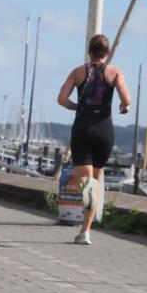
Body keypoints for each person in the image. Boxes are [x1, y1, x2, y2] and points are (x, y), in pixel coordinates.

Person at [57, 34, 131, 245]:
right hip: (104, 129)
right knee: (94, 182)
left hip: (82, 127)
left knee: (86, 183)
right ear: (107, 52)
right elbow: (126, 99)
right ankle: (86, 230)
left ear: (89, 51)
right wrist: (124, 106)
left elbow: (61, 99)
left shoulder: (78, 72)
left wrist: (77, 106)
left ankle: (85, 229)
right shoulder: (115, 72)